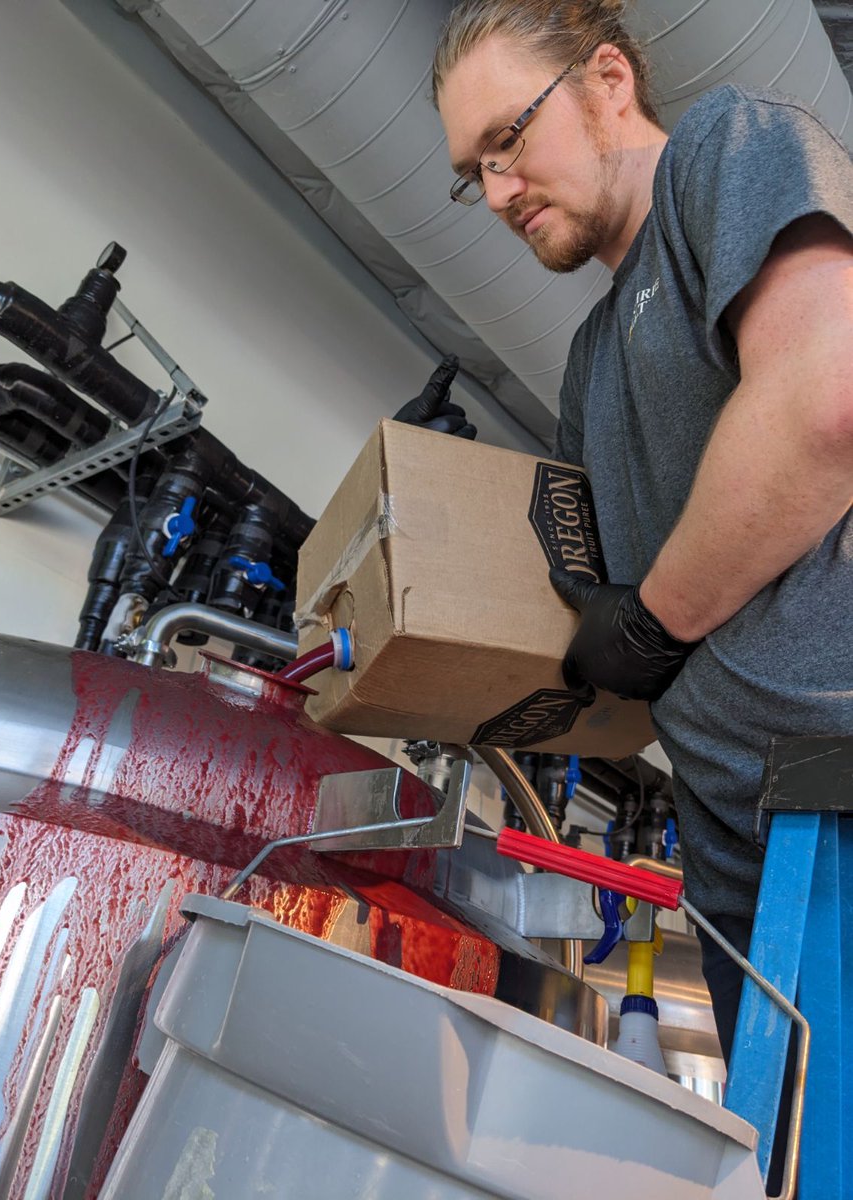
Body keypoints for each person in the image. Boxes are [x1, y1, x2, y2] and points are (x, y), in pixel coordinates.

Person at [420, 0, 853, 1174]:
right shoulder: (590, 363)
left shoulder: (732, 148)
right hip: (734, 856)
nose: (500, 191)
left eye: (508, 141)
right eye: (474, 174)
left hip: (838, 791)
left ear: (608, 80)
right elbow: (579, 606)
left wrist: (651, 619)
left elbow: (826, 403)